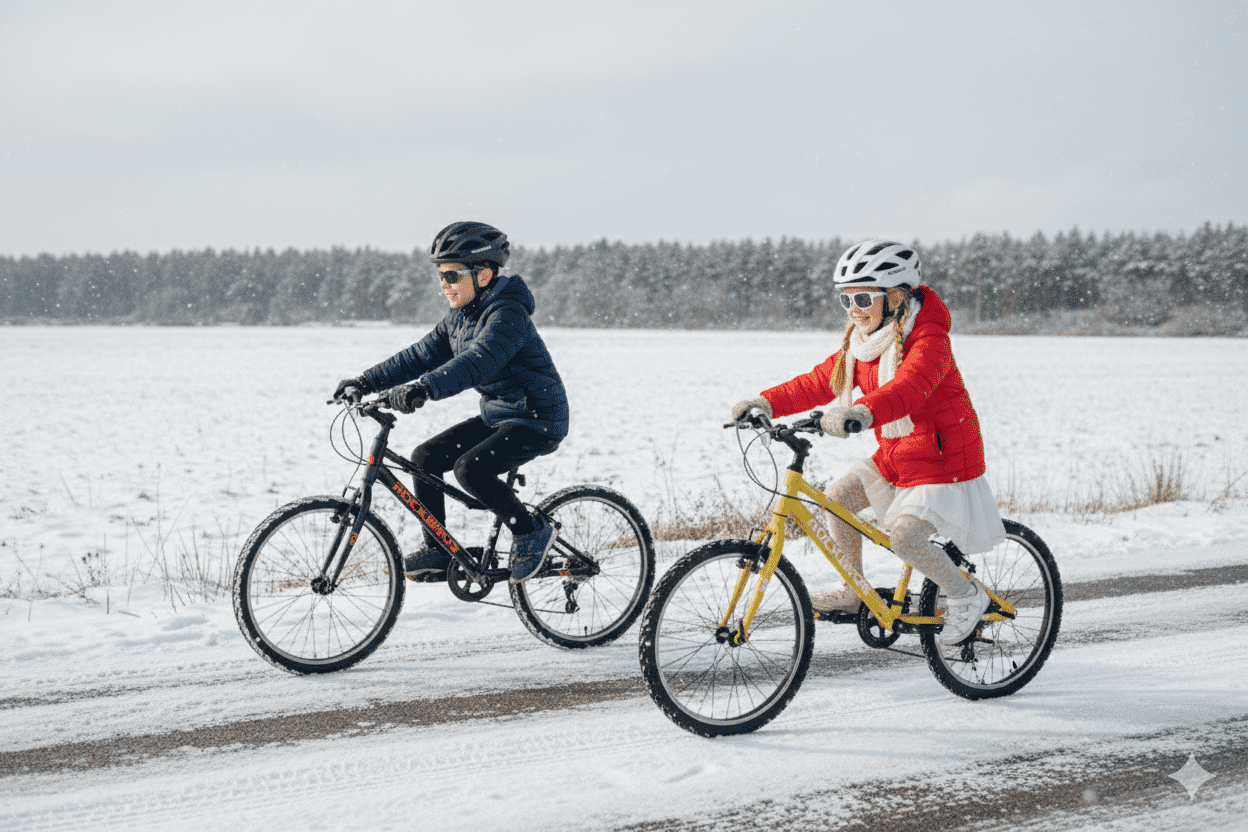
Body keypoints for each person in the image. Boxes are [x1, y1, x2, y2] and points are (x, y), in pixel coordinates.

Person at [730, 240, 1005, 646]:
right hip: (899, 454)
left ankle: (967, 596)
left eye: (863, 298)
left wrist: (863, 412)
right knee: (836, 499)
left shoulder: (930, 339)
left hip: (943, 458)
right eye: (846, 299)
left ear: (896, 298)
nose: (853, 309)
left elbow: (909, 388)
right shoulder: (864, 344)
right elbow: (819, 381)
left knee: (906, 538)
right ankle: (853, 589)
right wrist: (766, 403)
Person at [333, 221, 569, 585]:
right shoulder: (461, 317)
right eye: (440, 276)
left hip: (538, 419)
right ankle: (438, 550)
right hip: (500, 415)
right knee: (424, 458)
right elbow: (419, 355)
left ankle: (531, 532)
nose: (443, 284)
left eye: (451, 275)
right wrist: (366, 382)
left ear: (484, 275)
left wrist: (425, 388)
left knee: (470, 469)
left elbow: (479, 361)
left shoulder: (508, 315)